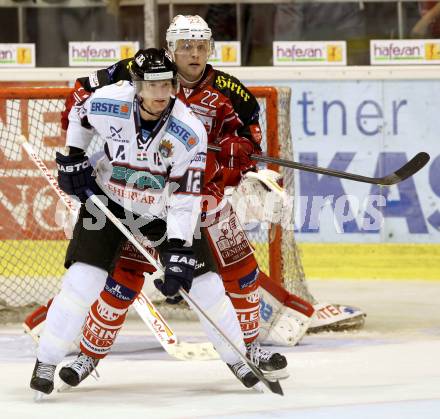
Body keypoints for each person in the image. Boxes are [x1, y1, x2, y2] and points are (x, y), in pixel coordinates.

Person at [29, 48, 260, 396]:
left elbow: (185, 197)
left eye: (166, 85)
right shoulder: (109, 102)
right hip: (109, 202)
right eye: (151, 86)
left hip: (164, 211)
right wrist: (74, 156)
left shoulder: (189, 131)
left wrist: (180, 248)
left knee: (207, 286)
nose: (159, 94)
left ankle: (239, 358)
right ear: (135, 85)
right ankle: (46, 360)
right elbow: (78, 110)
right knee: (82, 282)